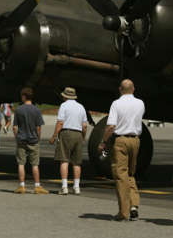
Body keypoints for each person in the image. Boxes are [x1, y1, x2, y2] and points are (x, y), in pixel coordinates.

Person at [99, 79, 145, 221]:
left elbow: (111, 126)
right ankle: (134, 205)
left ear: (120, 89)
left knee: (120, 175)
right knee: (130, 173)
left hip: (121, 140)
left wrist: (103, 141)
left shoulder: (116, 104)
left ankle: (123, 212)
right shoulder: (140, 103)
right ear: (133, 89)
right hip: (135, 140)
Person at [49, 87, 88, 195]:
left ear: (65, 96)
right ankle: (76, 187)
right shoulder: (81, 107)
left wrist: (54, 136)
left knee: (64, 160)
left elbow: (60, 123)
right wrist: (83, 137)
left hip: (66, 132)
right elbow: (84, 125)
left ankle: (64, 187)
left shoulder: (64, 106)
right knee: (77, 162)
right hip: (78, 134)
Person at [13, 87, 48, 194]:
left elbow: (15, 127)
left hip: (21, 139)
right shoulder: (36, 110)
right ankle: (37, 186)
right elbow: (38, 127)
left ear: (24, 96)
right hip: (33, 140)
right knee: (35, 164)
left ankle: (21, 186)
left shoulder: (19, 109)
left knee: (21, 163)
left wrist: (17, 137)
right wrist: (38, 138)